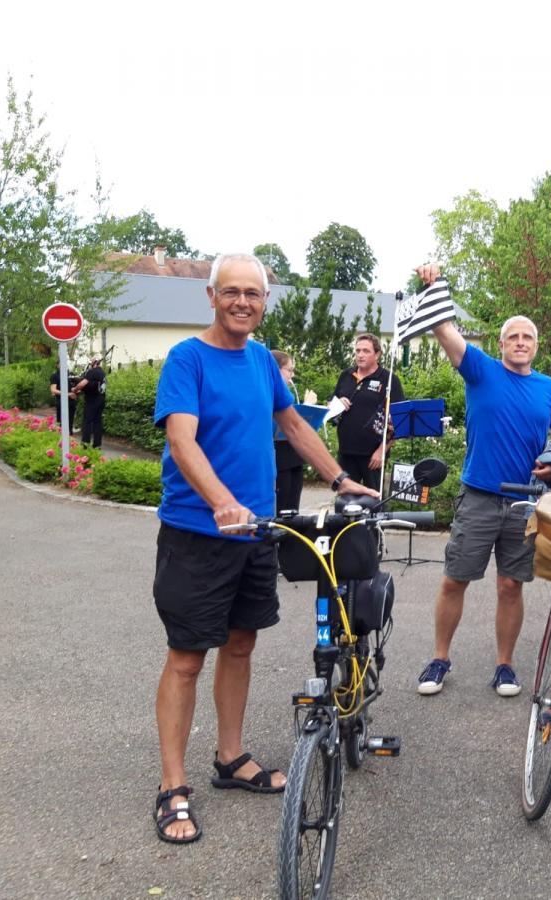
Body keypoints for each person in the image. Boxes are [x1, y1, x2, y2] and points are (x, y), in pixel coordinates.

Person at [151, 253, 376, 844]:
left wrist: (339, 478)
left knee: (241, 644)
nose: (243, 302)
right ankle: (173, 786)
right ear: (212, 295)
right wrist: (224, 502)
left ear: (263, 300)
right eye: (233, 292)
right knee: (186, 657)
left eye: (254, 293)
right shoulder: (187, 360)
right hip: (199, 534)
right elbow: (182, 440)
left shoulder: (259, 359)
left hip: (254, 535)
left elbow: (295, 425)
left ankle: (231, 758)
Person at [413, 264, 551, 698]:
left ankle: (505, 666)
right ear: (500, 344)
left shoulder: (550, 389)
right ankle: (440, 658)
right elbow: (444, 330)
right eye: (513, 336)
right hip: (479, 496)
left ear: (536, 346)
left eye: (527, 337)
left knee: (510, 585)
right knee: (453, 580)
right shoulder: (479, 369)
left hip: (525, 503)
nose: (520, 342)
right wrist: (435, 285)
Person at [333, 334, 405, 493]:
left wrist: (382, 450)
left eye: (366, 351)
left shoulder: (389, 379)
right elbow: (331, 406)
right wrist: (336, 404)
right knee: (346, 503)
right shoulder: (346, 375)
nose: (360, 355)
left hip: (373, 456)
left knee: (374, 503)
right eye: (357, 350)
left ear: (377, 354)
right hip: (346, 452)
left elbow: (399, 421)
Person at [270, 349, 304, 514]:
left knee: (293, 508)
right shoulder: (267, 392)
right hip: (279, 458)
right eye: (289, 370)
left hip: (294, 456)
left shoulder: (288, 394)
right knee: (282, 507)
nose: (292, 375)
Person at [72, 356, 107, 449]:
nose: (90, 363)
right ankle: (97, 444)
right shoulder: (102, 372)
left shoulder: (92, 372)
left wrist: (75, 389)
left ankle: (85, 443)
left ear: (94, 362)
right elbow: (94, 386)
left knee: (87, 421)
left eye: (91, 361)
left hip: (92, 401)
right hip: (101, 400)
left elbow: (82, 384)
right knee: (97, 422)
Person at [49, 366, 77, 434]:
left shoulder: (69, 375)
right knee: (61, 423)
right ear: (57, 365)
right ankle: (61, 441)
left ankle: (70, 440)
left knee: (70, 424)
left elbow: (74, 387)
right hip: (61, 401)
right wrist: (68, 394)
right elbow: (53, 390)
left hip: (71, 402)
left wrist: (76, 391)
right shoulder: (55, 376)